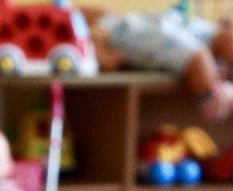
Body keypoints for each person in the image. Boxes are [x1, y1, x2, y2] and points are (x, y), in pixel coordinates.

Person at [94, 8, 233, 121]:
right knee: (200, 56)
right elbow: (198, 58)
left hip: (129, 27)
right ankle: (214, 96)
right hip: (124, 30)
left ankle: (214, 95)